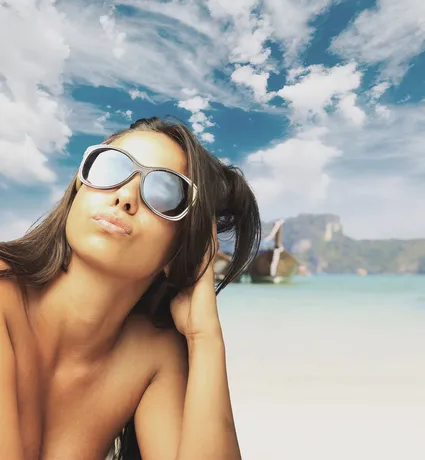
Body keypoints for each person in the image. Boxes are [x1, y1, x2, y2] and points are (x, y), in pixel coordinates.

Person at [0, 116, 261, 460]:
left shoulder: (152, 356)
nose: (125, 196)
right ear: (80, 187)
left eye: (164, 191)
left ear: (185, 244)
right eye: (111, 167)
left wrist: (205, 337)